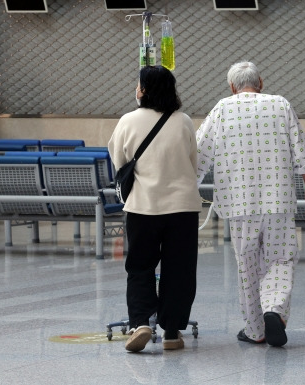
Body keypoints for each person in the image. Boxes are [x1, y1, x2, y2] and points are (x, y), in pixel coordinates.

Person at [196, 61, 305, 347]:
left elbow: (200, 152)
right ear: (261, 82)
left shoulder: (221, 109)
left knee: (247, 263)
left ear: (231, 86)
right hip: (279, 199)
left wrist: (188, 186)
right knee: (281, 258)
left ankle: (255, 330)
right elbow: (301, 148)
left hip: (238, 203)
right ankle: (274, 310)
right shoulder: (281, 105)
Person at [108, 66, 202, 353]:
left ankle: (141, 323)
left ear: (144, 90)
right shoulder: (183, 121)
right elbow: (193, 162)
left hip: (142, 207)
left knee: (140, 267)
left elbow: (119, 160)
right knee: (180, 269)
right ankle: (172, 332)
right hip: (182, 208)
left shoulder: (128, 120)